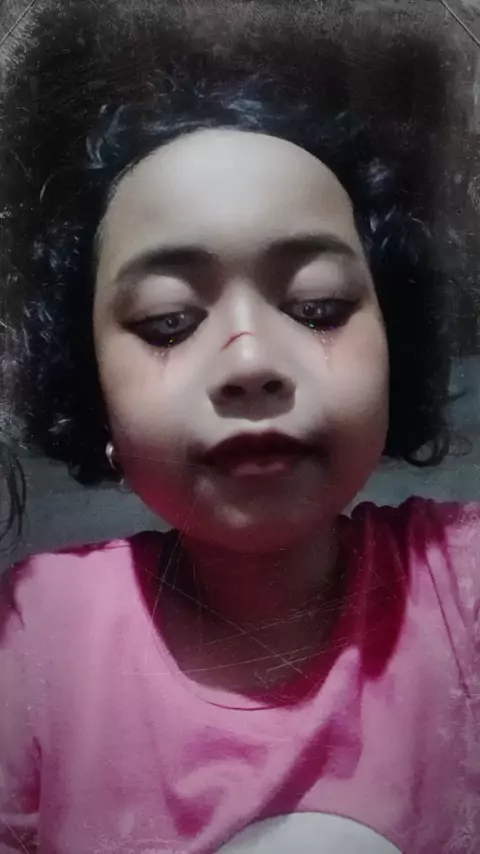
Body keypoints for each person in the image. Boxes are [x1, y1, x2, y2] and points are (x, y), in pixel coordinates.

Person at [0, 2, 478, 853]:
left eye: (318, 306)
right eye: (169, 322)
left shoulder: (463, 586)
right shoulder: (35, 638)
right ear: (90, 386)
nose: (250, 359)